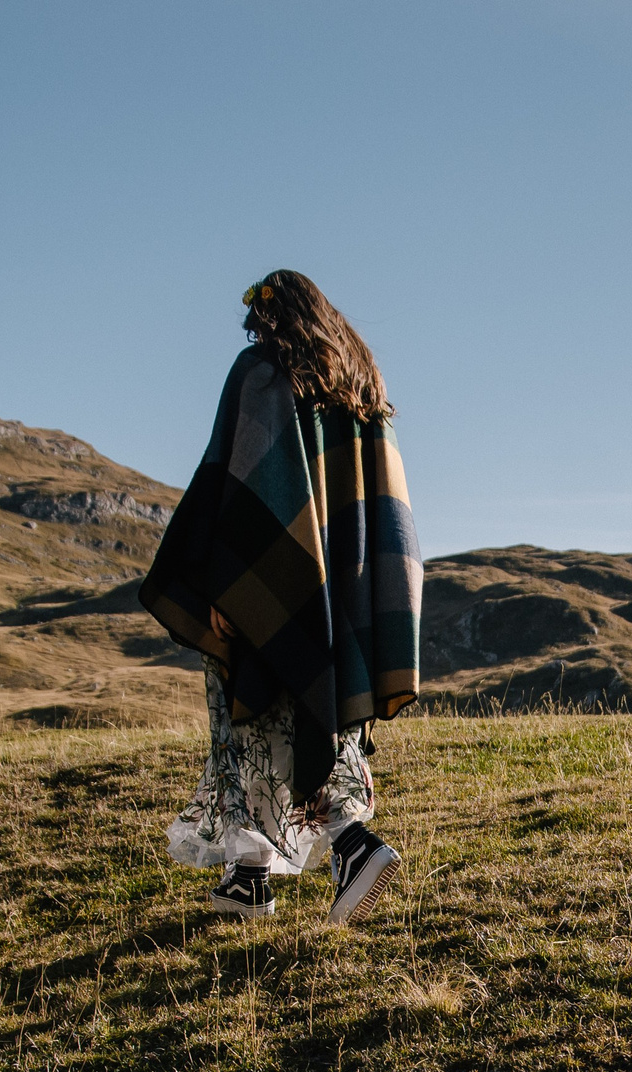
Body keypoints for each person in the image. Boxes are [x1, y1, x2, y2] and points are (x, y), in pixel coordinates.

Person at [139, 271, 423, 926]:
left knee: (254, 710)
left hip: (272, 588)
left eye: (259, 318)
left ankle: (352, 844)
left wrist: (222, 584)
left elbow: (238, 494)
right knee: (314, 711)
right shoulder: (360, 391)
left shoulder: (262, 374)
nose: (255, 330)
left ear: (273, 318)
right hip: (341, 596)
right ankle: (249, 878)